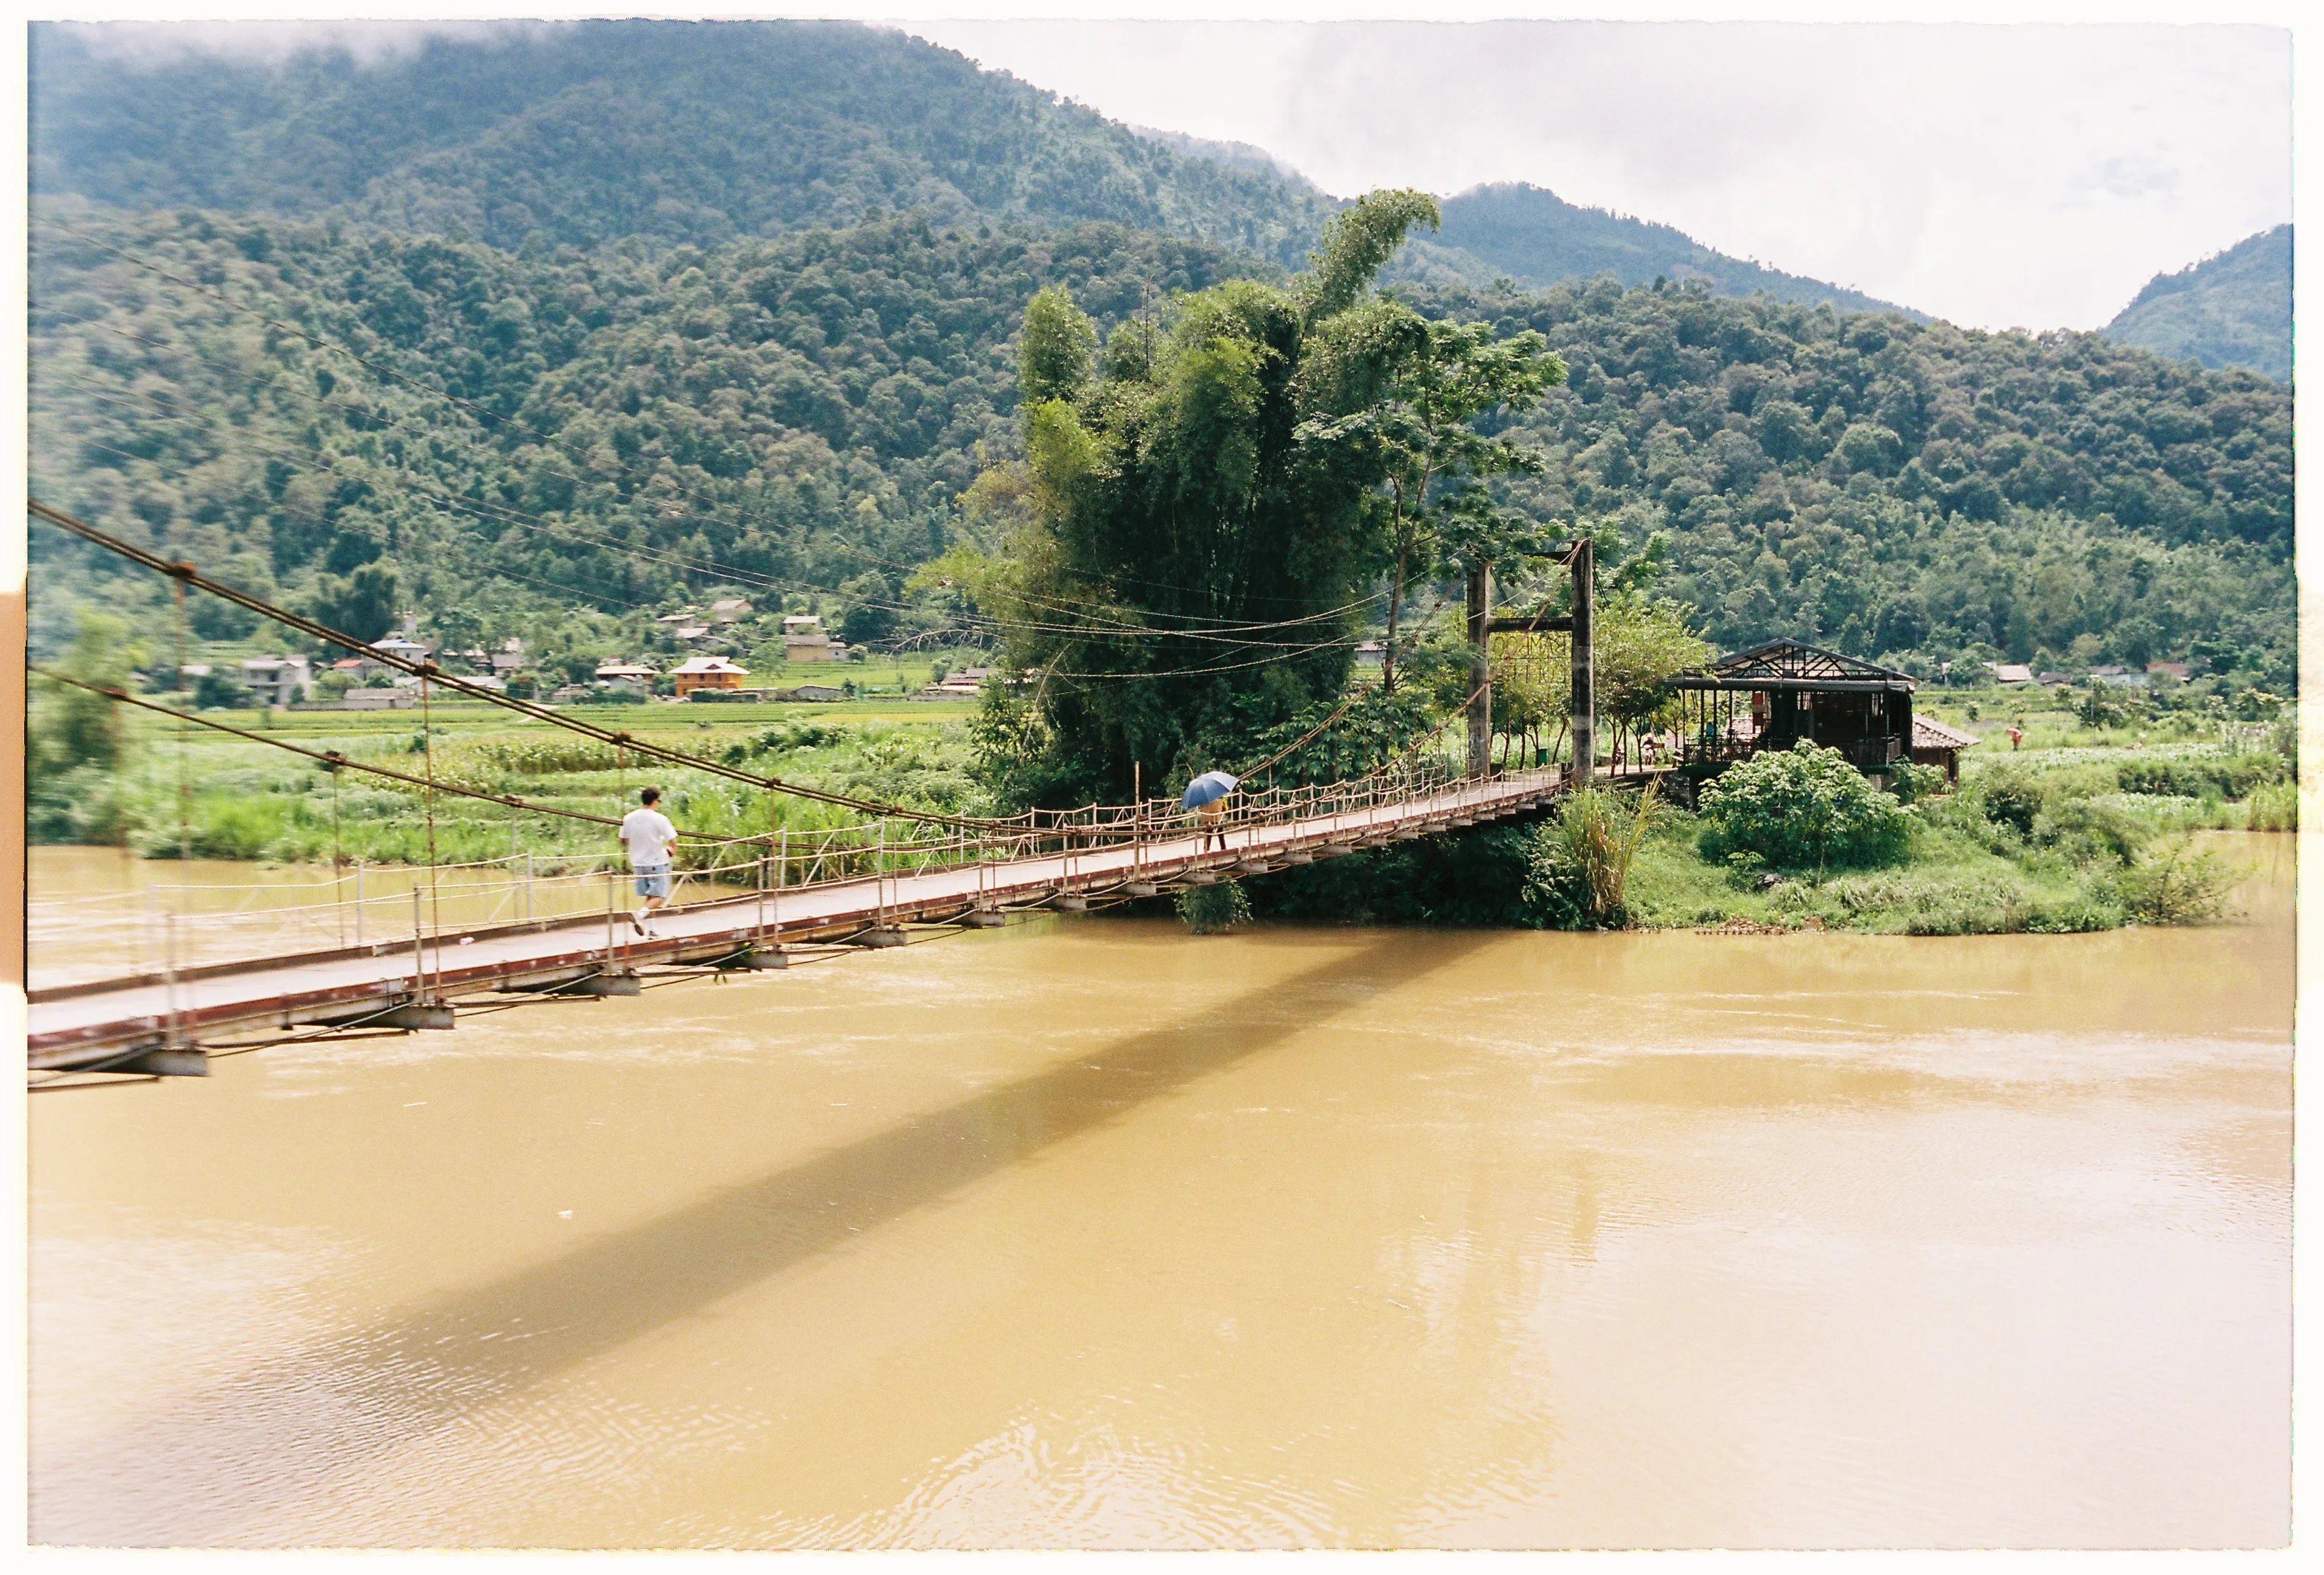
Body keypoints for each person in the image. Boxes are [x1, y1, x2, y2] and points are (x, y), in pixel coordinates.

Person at [620, 786, 678, 937]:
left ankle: (652, 931)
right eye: (659, 800)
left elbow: (624, 840)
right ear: (655, 801)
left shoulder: (629, 818)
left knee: (651, 897)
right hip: (657, 862)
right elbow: (673, 841)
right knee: (660, 896)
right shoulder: (659, 818)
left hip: (638, 864)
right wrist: (671, 851)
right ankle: (639, 915)